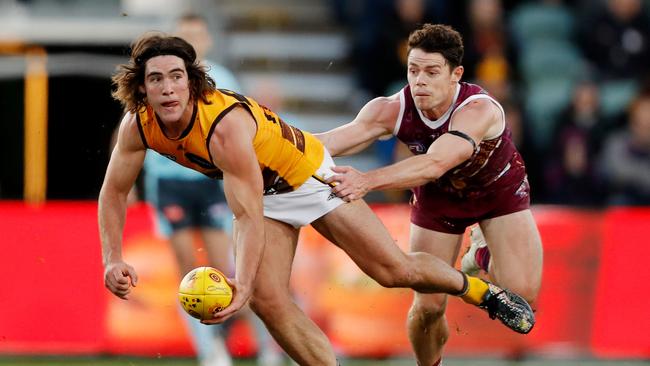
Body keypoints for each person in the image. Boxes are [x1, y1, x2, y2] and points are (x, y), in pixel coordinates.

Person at [99, 31, 535, 366]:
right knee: (270, 302)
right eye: (156, 79)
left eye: (177, 77)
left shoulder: (223, 127)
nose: (169, 89)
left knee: (393, 271)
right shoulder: (137, 126)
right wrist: (112, 257)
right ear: (141, 87)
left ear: (192, 83)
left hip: (308, 176)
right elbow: (114, 191)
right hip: (265, 193)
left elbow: (246, 212)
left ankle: (480, 290)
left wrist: (243, 283)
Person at [316, 24, 543, 366]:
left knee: (521, 299)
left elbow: (436, 162)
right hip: (439, 200)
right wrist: (273, 144)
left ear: (456, 75)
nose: (419, 80)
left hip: (498, 196)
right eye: (413, 70)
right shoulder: (392, 108)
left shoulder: (478, 109)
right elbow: (331, 142)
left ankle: (479, 259)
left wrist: (367, 180)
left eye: (431, 72)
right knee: (427, 307)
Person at [136, 14, 281, 366]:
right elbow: (133, 126)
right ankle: (212, 352)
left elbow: (241, 130)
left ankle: (266, 346)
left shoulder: (222, 79)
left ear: (206, 41)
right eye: (186, 35)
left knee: (223, 268)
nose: (192, 40)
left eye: (197, 35)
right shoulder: (160, 81)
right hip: (168, 182)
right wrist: (126, 179)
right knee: (188, 272)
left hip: (210, 180)